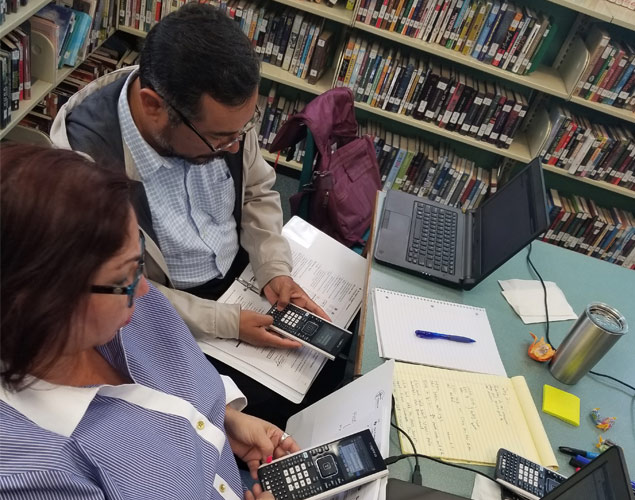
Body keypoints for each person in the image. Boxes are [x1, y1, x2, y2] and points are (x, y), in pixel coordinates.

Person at [50, 3, 349, 425]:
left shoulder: (220, 117)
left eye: (243, 130)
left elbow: (258, 190)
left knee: (331, 356)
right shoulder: (85, 169)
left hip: (241, 276)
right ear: (154, 106)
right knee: (281, 408)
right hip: (167, 309)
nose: (234, 145)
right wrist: (225, 321)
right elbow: (122, 289)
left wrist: (274, 268)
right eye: (221, 138)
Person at [0, 143, 299, 499]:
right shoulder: (37, 475)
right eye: (124, 276)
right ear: (46, 301)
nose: (144, 289)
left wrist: (224, 422)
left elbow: (182, 376)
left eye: (138, 261)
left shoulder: (128, 310)